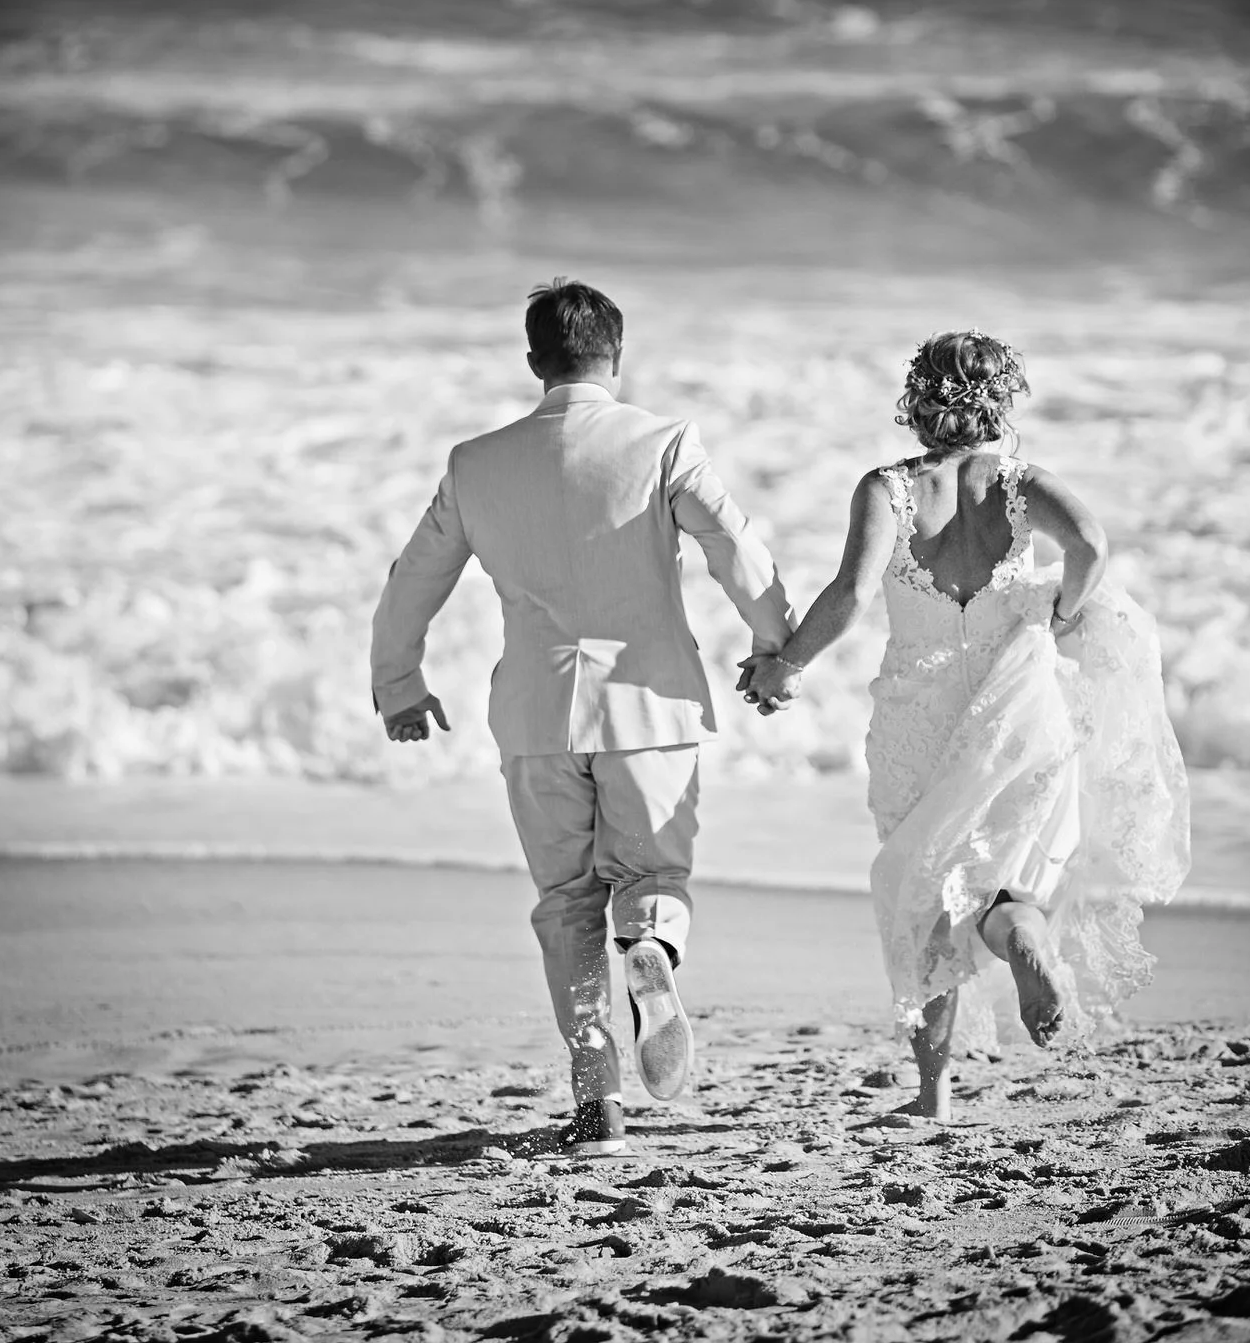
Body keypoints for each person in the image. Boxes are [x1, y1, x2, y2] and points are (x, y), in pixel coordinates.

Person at [371, 278, 795, 1155]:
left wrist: (400, 685)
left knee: (566, 903)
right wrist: (774, 646)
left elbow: (412, 580)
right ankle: (651, 950)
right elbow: (733, 547)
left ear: (534, 362)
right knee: (651, 879)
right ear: (618, 353)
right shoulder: (663, 441)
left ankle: (596, 1100)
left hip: (533, 716)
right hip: (649, 706)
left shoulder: (475, 462)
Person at [739, 330, 1189, 1122]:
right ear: (1000, 401)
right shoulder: (1018, 484)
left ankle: (932, 1094)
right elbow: (1090, 543)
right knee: (1004, 878)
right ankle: (1023, 939)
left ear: (917, 398)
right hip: (1018, 702)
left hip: (917, 709)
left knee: (925, 888)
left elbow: (848, 593)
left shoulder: (887, 489)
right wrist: (1059, 611)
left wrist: (786, 666)